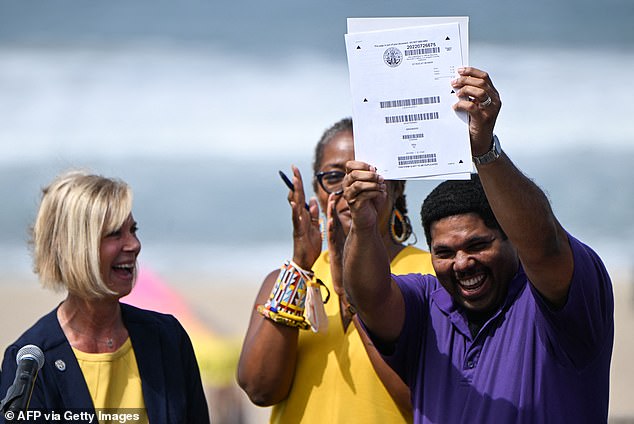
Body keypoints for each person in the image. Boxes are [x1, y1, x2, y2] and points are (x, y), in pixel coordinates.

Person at [342, 67, 614, 423]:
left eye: (477, 245)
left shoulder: (557, 303)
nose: (462, 263)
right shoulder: (426, 304)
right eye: (444, 252)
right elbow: (369, 297)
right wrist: (364, 227)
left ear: (511, 239)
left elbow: (544, 243)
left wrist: (484, 150)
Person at [237, 118, 435, 423]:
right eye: (333, 176)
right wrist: (300, 268)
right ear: (316, 189)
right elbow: (260, 390)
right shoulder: (284, 282)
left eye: (364, 175)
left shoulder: (431, 277)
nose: (348, 188)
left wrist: (358, 299)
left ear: (397, 186)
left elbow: (432, 402)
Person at [0, 171, 210, 424]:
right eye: (114, 234)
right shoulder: (30, 362)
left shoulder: (167, 338)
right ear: (75, 246)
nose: (134, 245)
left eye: (133, 230)